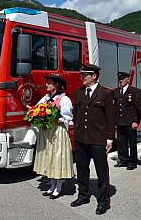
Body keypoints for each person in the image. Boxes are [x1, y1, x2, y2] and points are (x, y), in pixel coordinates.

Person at [71, 64, 115, 215]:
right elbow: (75, 114)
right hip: (81, 138)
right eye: (82, 74)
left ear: (94, 76)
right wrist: (76, 129)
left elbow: (110, 118)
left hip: (98, 139)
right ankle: (83, 195)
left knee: (101, 171)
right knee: (82, 169)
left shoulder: (106, 93)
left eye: (85, 75)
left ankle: (103, 201)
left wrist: (110, 139)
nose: (81, 77)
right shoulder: (78, 92)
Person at [32, 75, 74, 199]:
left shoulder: (64, 99)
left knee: (57, 157)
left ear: (56, 85)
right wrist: (37, 115)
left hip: (58, 132)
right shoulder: (45, 98)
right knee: (49, 157)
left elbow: (68, 118)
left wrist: (57, 117)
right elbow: (37, 109)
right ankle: (52, 186)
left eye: (49, 83)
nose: (46, 85)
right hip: (47, 131)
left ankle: (59, 188)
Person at [113, 71, 139, 170]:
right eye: (120, 79)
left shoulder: (134, 91)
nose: (121, 81)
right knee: (121, 142)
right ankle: (123, 160)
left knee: (132, 142)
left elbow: (136, 108)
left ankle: (132, 161)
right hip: (120, 121)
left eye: (123, 79)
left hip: (130, 122)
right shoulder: (116, 91)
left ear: (128, 79)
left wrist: (136, 121)